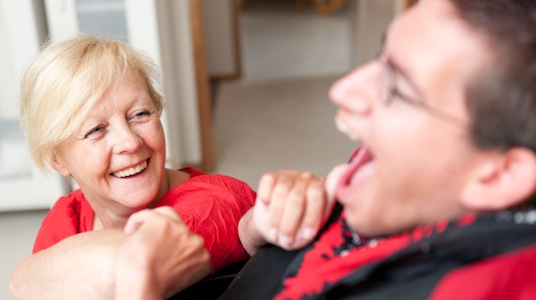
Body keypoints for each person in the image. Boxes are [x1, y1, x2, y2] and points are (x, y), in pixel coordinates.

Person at [219, 0, 536, 298]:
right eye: (380, 58)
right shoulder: (392, 193)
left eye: (397, 87)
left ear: (498, 176)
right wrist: (256, 232)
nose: (342, 91)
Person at [9, 35, 256, 299]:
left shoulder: (217, 201)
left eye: (140, 114)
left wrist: (27, 275)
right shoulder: (66, 217)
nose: (129, 141)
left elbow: (135, 264)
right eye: (96, 130)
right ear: (57, 160)